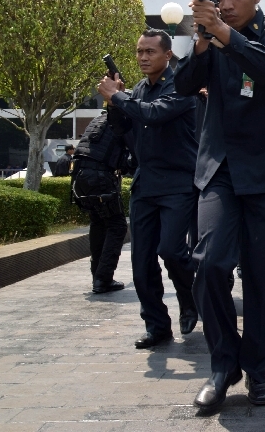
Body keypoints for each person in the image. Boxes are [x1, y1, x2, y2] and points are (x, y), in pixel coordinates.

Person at [174, 0, 265, 410]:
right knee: (208, 265)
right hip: (220, 170)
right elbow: (185, 84)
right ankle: (223, 365)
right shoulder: (211, 35)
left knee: (264, 279)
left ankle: (258, 369)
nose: (225, 4)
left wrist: (225, 35)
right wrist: (201, 43)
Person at [98, 29, 200, 351]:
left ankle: (189, 297)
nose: (143, 57)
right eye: (140, 51)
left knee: (171, 250)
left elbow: (156, 115)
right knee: (141, 264)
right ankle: (157, 326)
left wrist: (120, 98)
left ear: (167, 55)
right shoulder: (139, 89)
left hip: (178, 183)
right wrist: (115, 105)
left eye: (150, 52)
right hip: (145, 184)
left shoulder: (182, 86)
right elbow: (123, 130)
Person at [70, 111, 132, 294]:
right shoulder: (122, 120)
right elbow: (129, 160)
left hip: (80, 176)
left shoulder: (98, 119)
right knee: (117, 225)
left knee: (98, 222)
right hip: (100, 177)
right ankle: (103, 279)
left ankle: (97, 276)